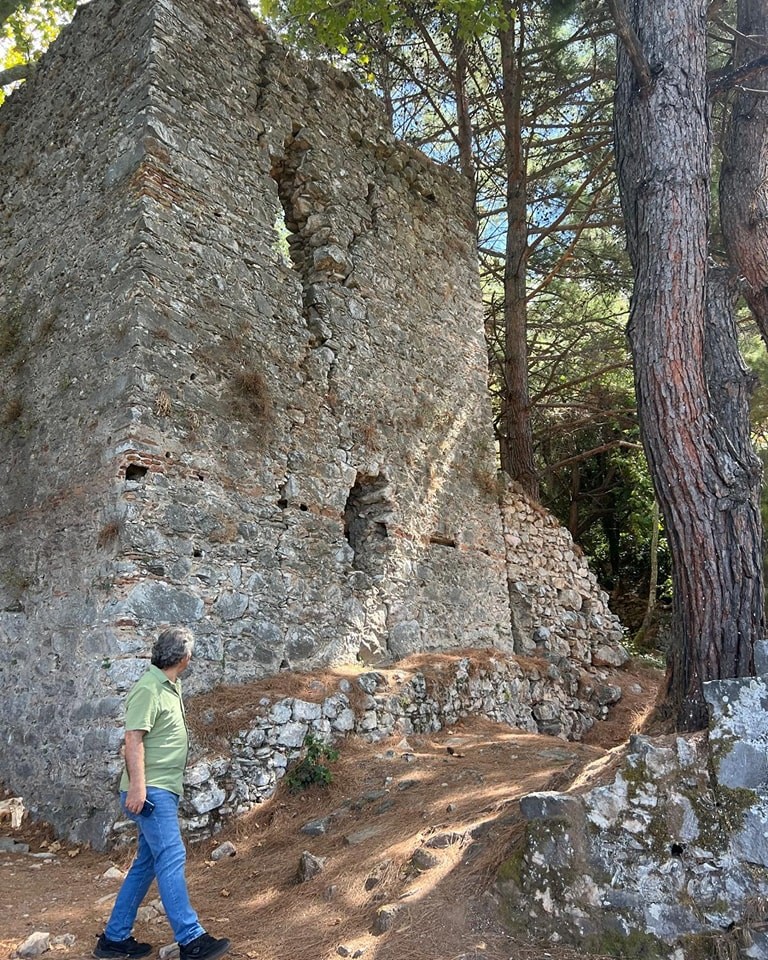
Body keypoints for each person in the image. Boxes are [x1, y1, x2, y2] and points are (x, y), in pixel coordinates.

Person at [94, 627, 230, 960]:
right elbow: (133, 739)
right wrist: (139, 787)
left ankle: (114, 939)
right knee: (171, 856)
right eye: (191, 653)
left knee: (147, 864)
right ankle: (191, 938)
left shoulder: (168, 686)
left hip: (160, 788)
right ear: (185, 658)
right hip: (151, 791)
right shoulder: (149, 688)